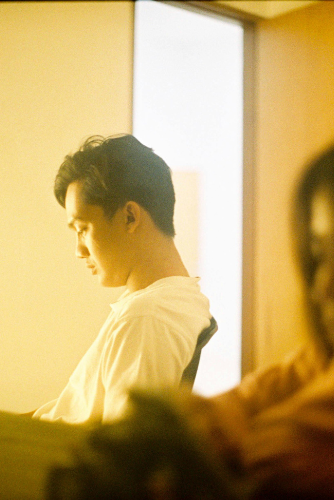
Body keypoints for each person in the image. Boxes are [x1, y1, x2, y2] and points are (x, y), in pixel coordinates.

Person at [48, 111, 334, 500]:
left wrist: (226, 445)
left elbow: (323, 467)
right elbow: (247, 401)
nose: (326, 289)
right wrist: (192, 426)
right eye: (320, 255)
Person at [32, 134, 214, 424]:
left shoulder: (147, 317)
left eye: (83, 228)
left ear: (130, 216)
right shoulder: (169, 300)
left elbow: (124, 442)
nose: (79, 250)